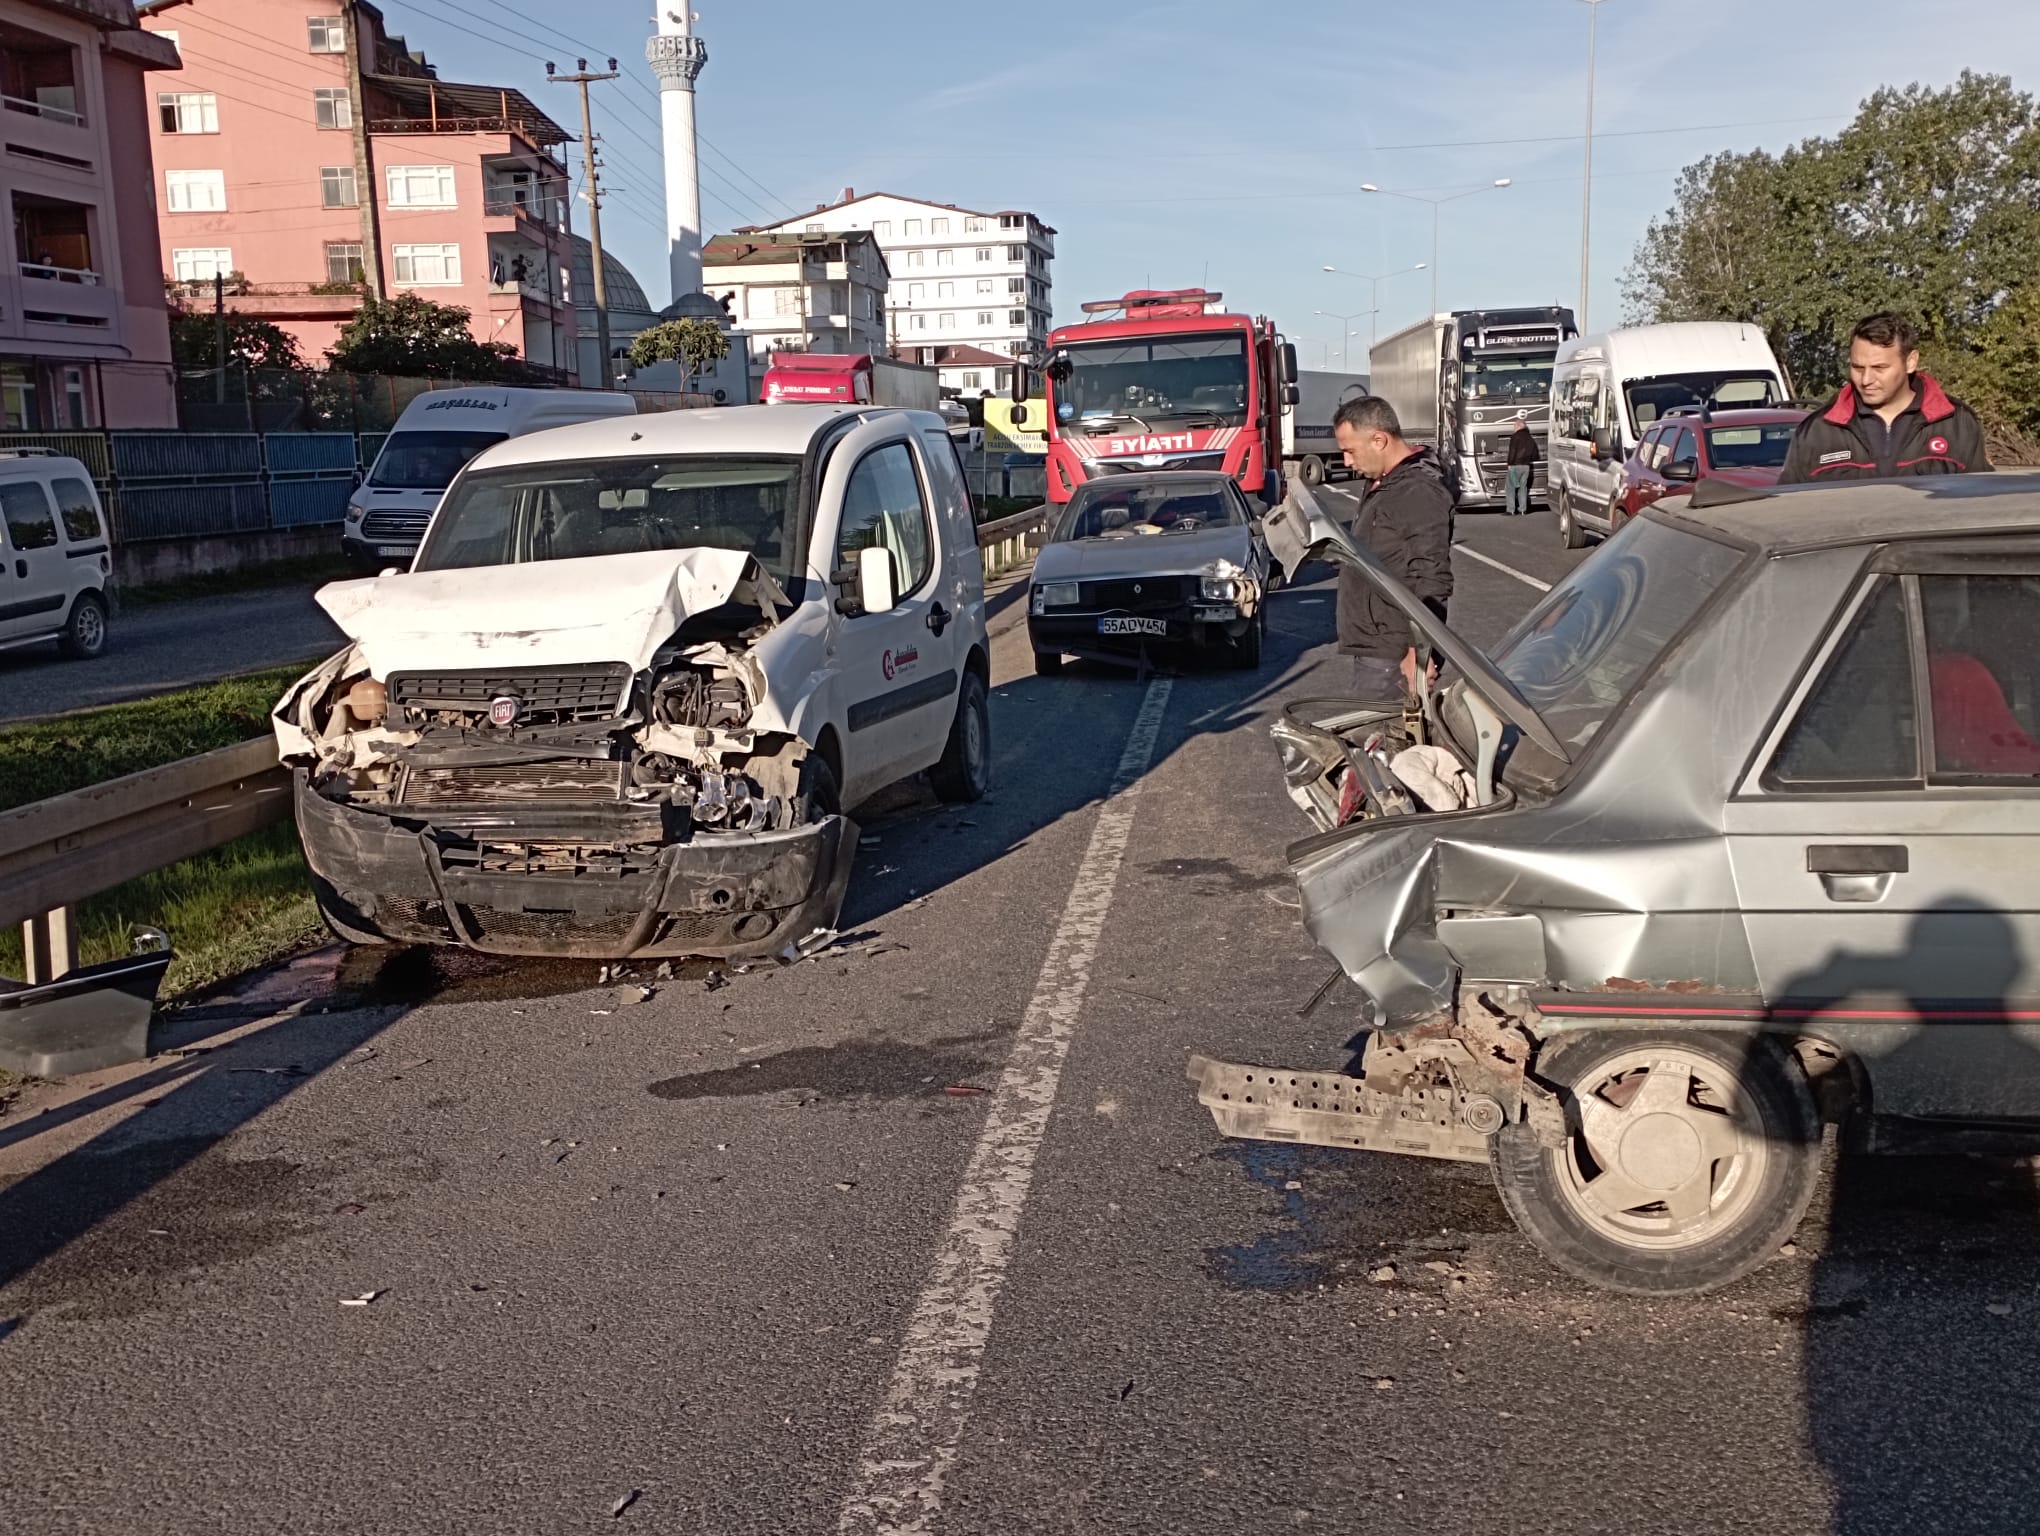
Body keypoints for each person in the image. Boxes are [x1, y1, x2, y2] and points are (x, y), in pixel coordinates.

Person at [1331, 395, 1454, 701]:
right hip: (1379, 643)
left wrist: (1419, 651)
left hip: (1395, 651)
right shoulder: (1384, 481)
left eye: (1350, 451)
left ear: (1379, 440)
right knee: (1375, 737)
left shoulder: (1417, 490)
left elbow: (1431, 574)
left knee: (1379, 741)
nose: (1347, 462)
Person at [1779, 311, 1991, 483]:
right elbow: (1788, 511)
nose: (1866, 379)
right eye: (1858, 367)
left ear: (1910, 362)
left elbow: (1981, 504)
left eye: (1880, 368)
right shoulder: (1818, 431)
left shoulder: (1956, 423)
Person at [1504, 419, 1538, 515]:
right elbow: (1535, 454)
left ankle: (1511, 510)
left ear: (1519, 426)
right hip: (1526, 466)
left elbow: (1512, 451)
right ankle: (1523, 509)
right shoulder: (1530, 438)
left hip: (1515, 465)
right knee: (1523, 488)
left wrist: (1509, 463)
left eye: (1514, 426)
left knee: (1510, 487)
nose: (1513, 428)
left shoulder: (1515, 437)